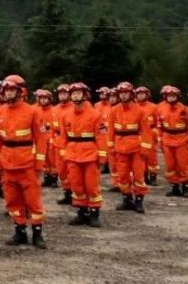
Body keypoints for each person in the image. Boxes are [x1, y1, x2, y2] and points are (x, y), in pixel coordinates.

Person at [0, 75, 48, 249]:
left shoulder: (33, 112)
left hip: (27, 163)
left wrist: (39, 162)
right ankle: (20, 231)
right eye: (6, 90)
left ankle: (37, 233)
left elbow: (41, 139)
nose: (8, 93)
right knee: (12, 200)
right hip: (8, 163)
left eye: (11, 90)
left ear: (20, 91)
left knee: (33, 200)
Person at [61, 83, 108, 227]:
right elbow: (63, 137)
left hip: (90, 154)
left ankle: (94, 214)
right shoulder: (66, 115)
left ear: (85, 95)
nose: (75, 95)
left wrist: (102, 156)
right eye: (73, 93)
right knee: (76, 185)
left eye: (78, 93)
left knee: (92, 186)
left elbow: (101, 137)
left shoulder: (95, 115)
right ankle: (81, 213)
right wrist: (64, 154)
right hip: (72, 155)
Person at [108, 82, 151, 213]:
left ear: (131, 94)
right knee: (123, 176)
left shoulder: (140, 111)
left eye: (126, 93)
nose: (124, 95)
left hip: (136, 148)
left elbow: (146, 131)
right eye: (121, 93)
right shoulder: (114, 111)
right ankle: (127, 200)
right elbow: (110, 131)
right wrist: (110, 147)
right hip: (120, 148)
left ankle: (139, 201)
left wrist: (145, 149)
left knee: (138, 176)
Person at [158, 86, 188, 198]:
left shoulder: (184, 109)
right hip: (167, 140)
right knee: (170, 166)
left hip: (181, 140)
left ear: (177, 97)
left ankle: (185, 188)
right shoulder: (161, 109)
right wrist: (160, 139)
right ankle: (174, 187)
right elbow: (159, 126)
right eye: (169, 96)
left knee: (183, 165)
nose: (171, 98)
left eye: (173, 96)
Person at [135, 86, 160, 185]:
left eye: (143, 94)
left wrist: (156, 133)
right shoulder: (134, 106)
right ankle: (144, 176)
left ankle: (153, 177)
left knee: (152, 156)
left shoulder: (153, 107)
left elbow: (158, 122)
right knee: (141, 157)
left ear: (147, 95)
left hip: (150, 132)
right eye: (139, 94)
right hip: (138, 134)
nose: (141, 96)